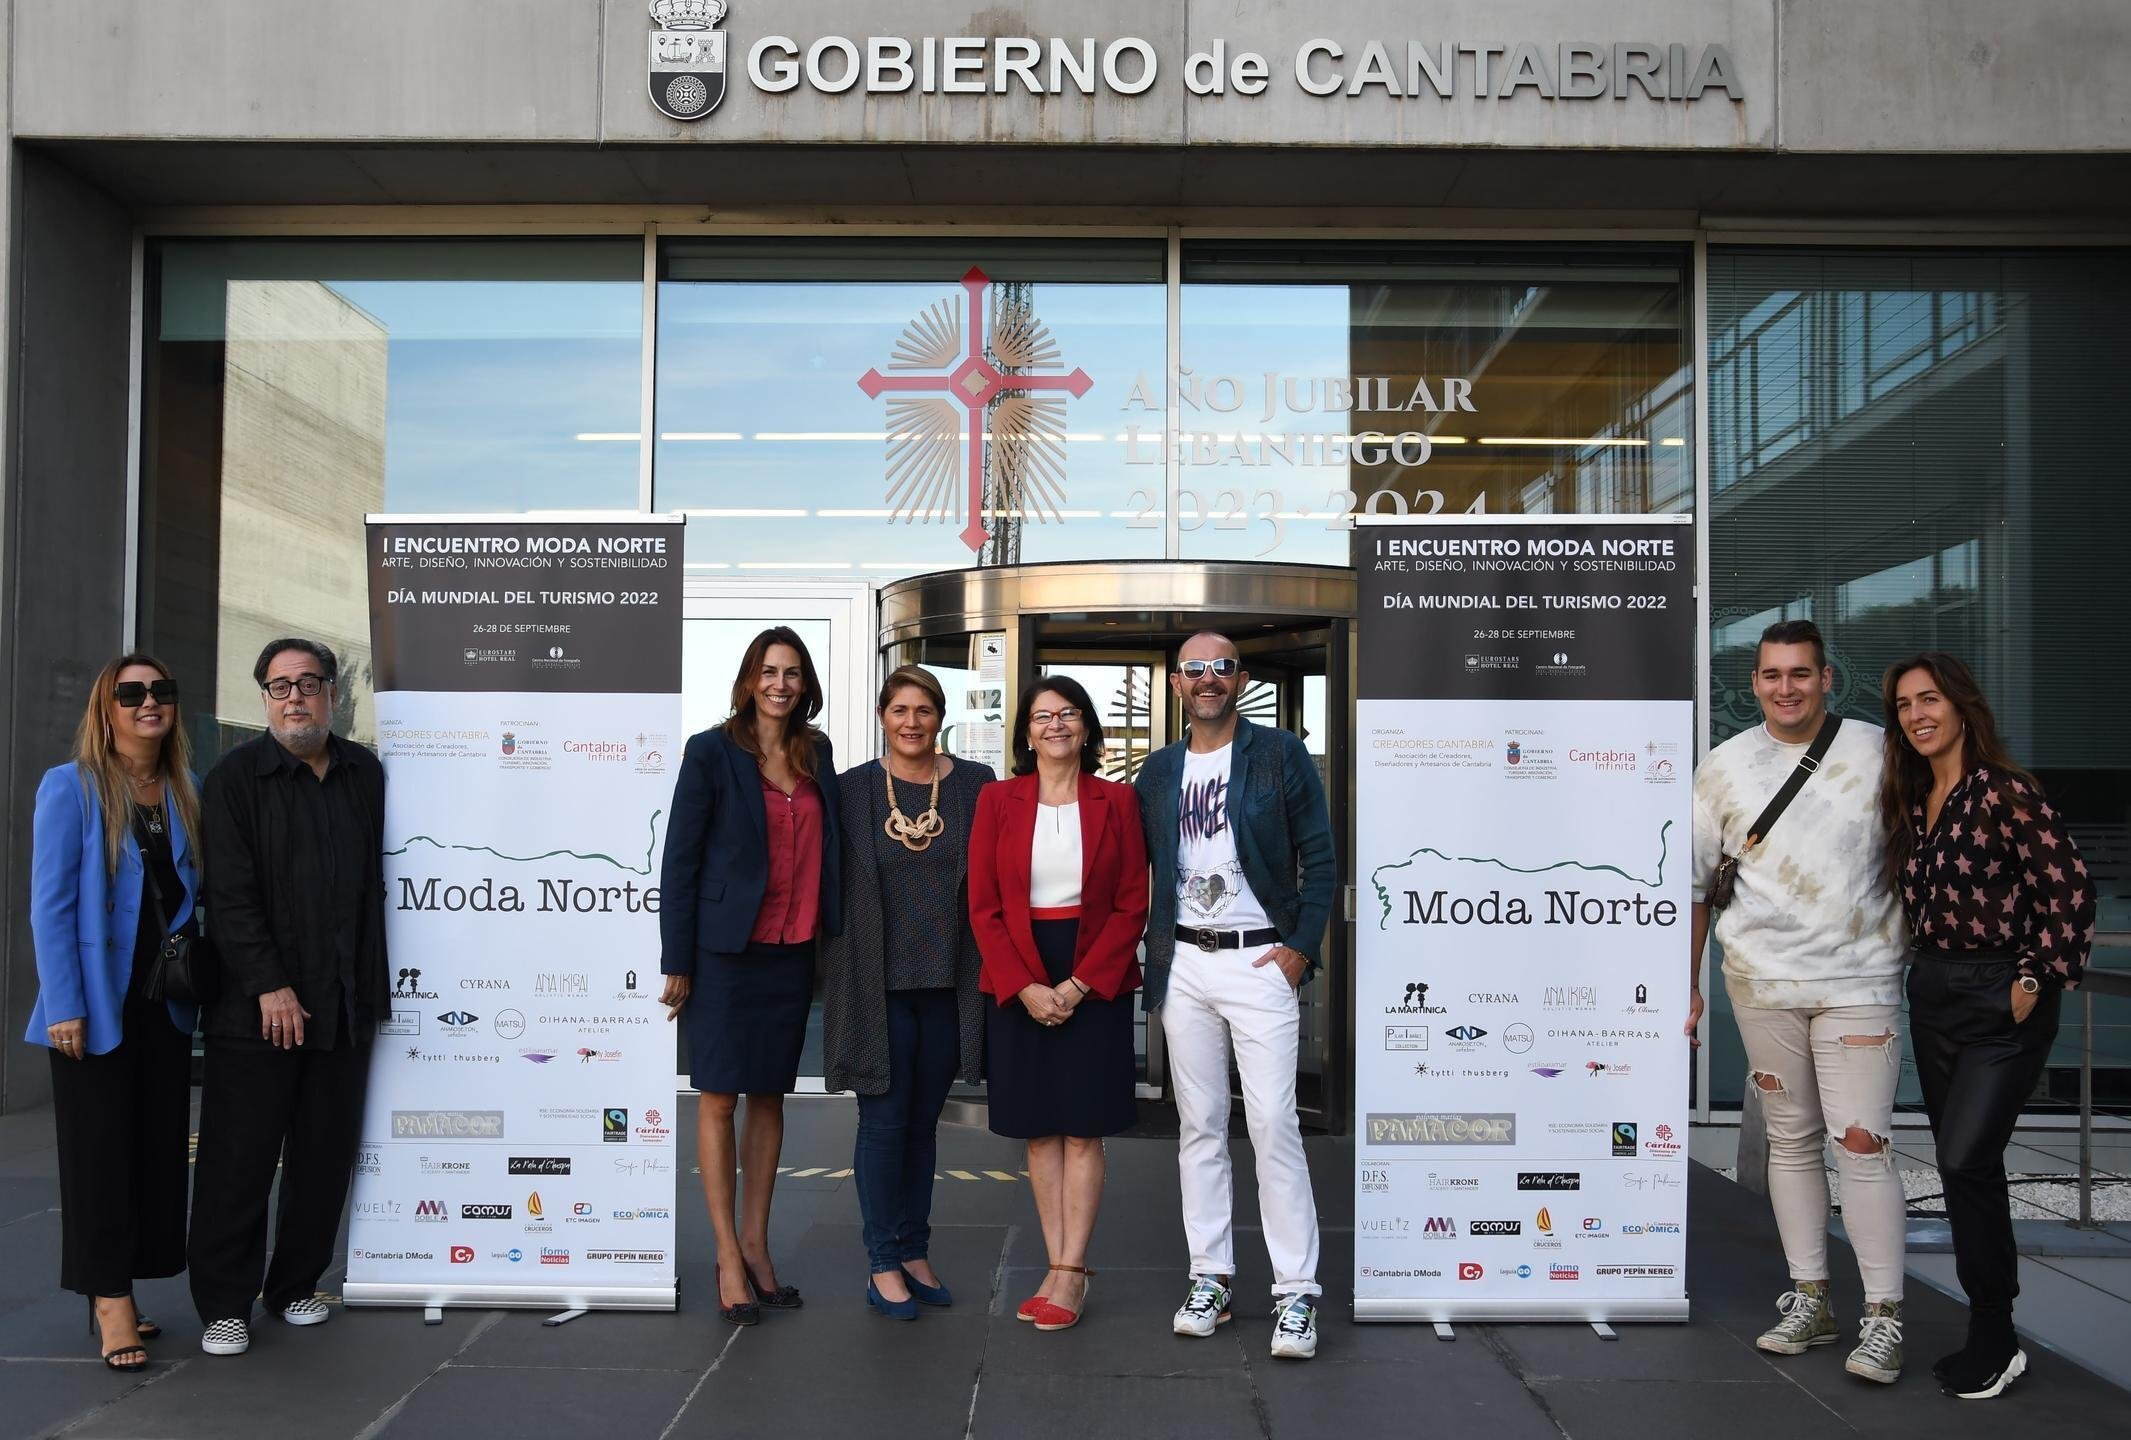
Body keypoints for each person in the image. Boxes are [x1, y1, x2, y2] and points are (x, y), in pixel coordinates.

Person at [1687, 619, 1909, 1384]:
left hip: (1859, 982)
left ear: (1825, 680)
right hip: (1761, 982)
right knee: (1790, 1142)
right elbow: (1697, 888)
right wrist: (1688, 988)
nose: (1786, 688)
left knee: (1863, 1146)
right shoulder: (1722, 767)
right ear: (1754, 683)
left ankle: (1883, 1317)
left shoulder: (1880, 752)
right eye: (1772, 675)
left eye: (1800, 674)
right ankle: (1811, 1299)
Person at [1882, 652, 2093, 1401]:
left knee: (1968, 1156)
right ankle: (1990, 1327)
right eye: (1903, 705)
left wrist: (2031, 978)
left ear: (1962, 704)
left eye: (1928, 698)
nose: (1916, 715)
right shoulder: (1915, 799)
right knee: (1958, 1164)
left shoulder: (2004, 792)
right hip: (1933, 991)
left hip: (1999, 996)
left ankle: (1997, 1332)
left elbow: (2068, 889)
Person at [1134, 632, 1336, 1361]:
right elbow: (1137, 866)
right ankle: (1210, 1277)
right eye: (1195, 669)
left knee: (1276, 1125)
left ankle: (1295, 1293)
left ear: (1240, 679)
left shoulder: (1277, 755)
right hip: (1185, 962)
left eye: (1222, 667)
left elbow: (1320, 855)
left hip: (1259, 965)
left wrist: (1299, 949)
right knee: (1200, 1126)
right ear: (1177, 684)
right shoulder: (1158, 772)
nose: (1208, 678)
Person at [189, 638, 387, 1357]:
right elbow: (230, 898)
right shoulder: (235, 781)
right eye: (279, 686)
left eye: (308, 683)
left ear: (332, 693)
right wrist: (268, 983)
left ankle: (294, 1284)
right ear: (264, 699)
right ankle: (223, 1304)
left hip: (341, 1006)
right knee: (237, 1163)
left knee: (322, 1159)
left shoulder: (365, 773)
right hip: (256, 1014)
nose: (294, 697)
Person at [659, 626, 844, 1326]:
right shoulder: (709, 752)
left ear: (806, 684)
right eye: (769, 671)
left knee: (770, 1098)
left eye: (793, 673)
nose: (781, 684)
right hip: (723, 954)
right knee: (717, 1099)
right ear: (747, 679)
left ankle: (758, 1247)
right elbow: (680, 860)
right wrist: (676, 958)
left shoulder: (815, 752)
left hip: (792, 951)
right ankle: (726, 1256)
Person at [27, 655, 203, 1371]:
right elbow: (50, 905)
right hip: (95, 1003)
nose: (148, 703)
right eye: (131, 694)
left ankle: (123, 1282)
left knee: (154, 1153)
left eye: (161, 690)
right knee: (98, 1157)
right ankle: (109, 1303)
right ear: (107, 708)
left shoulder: (186, 789)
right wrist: (64, 1003)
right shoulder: (69, 788)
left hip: (166, 1004)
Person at [968, 675, 1146, 1332]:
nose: (1055, 725)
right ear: (1024, 733)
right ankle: (1056, 1264)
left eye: (1067, 714)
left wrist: (1077, 984)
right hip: (1018, 969)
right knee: (1039, 1130)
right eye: (1042, 716)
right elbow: (982, 906)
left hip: (1092, 969)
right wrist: (1023, 985)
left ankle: (1069, 1273)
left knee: (1081, 1127)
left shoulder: (1117, 801)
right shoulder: (996, 799)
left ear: (1086, 728)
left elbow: (1132, 905)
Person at [821, 665, 995, 1318]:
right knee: (884, 1123)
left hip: (951, 984)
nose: (912, 722)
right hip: (877, 986)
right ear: (881, 716)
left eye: (923, 710)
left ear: (939, 717)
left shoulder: (976, 787)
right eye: (899, 710)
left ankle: (915, 1249)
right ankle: (882, 1261)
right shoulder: (851, 792)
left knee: (922, 1126)